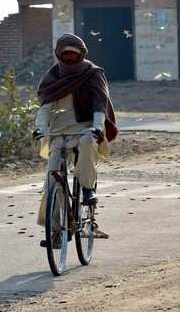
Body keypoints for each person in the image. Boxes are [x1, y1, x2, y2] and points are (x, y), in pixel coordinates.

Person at [33, 33, 117, 226]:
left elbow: (99, 103)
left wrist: (97, 127)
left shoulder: (92, 73)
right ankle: (54, 225)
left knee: (88, 143)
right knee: (52, 177)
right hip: (58, 132)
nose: (69, 57)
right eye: (66, 54)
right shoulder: (52, 77)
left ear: (81, 54)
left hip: (85, 128)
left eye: (73, 53)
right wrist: (40, 129)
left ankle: (88, 189)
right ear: (59, 55)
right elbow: (44, 108)